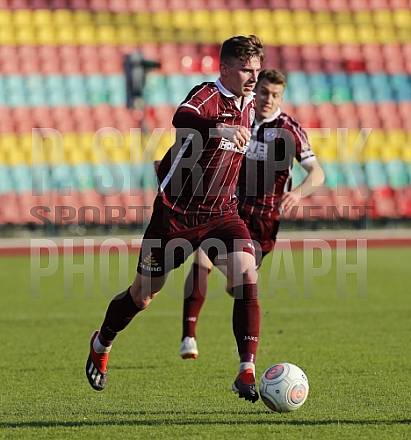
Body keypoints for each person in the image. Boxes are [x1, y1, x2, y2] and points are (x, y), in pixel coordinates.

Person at [86, 35, 264, 403]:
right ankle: (102, 341)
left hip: (222, 214)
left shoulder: (249, 103)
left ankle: (246, 370)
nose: (253, 77)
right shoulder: (207, 95)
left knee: (247, 274)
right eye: (246, 70)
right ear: (225, 68)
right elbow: (181, 119)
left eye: (257, 71)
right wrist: (220, 130)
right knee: (143, 296)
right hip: (176, 217)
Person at [179, 69, 325, 360]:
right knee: (202, 257)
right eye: (263, 92)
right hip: (230, 210)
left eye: (275, 95)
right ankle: (188, 337)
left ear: (281, 98)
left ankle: (236, 296)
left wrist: (298, 193)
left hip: (263, 222)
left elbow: (317, 173)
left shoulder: (288, 129)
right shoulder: (239, 119)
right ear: (254, 92)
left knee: (240, 285)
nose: (268, 99)